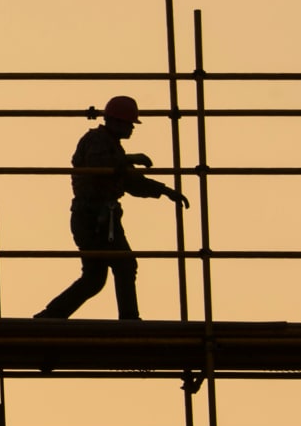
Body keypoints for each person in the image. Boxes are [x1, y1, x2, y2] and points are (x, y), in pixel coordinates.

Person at [35, 94, 189, 320]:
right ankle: (128, 319)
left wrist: (164, 191)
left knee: (95, 278)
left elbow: (130, 181)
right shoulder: (96, 140)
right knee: (122, 266)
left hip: (100, 217)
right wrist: (129, 159)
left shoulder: (112, 147)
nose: (132, 128)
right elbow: (99, 166)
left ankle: (51, 316)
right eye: (129, 123)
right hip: (92, 217)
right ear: (116, 122)